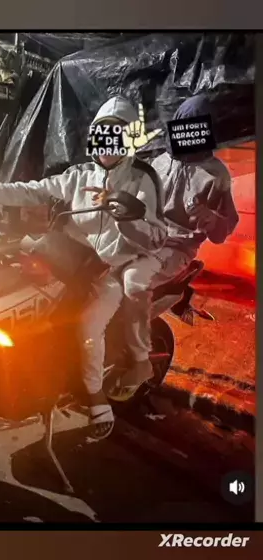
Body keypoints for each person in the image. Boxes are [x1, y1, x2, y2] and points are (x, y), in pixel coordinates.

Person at [0, 96, 167, 438]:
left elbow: (156, 236)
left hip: (111, 267)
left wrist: (127, 216)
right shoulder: (78, 176)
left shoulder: (142, 180)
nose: (107, 147)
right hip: (64, 255)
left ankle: (96, 398)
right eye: (102, 136)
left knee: (87, 327)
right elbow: (32, 191)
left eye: (116, 137)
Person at [110, 94, 239, 401]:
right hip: (145, 235)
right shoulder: (161, 161)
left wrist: (212, 218)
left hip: (177, 248)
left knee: (132, 282)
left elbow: (223, 232)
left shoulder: (216, 175)